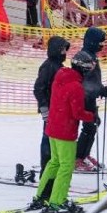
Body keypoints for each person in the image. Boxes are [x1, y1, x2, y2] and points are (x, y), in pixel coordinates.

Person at [28, 51, 98, 213]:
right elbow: (77, 113)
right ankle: (57, 200)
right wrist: (91, 116)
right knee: (66, 166)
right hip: (65, 131)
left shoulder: (61, 76)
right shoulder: (76, 86)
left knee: (54, 163)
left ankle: (41, 196)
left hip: (53, 127)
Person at [75, 27, 107, 172]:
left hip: (90, 97)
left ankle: (84, 154)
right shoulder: (84, 56)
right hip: (84, 97)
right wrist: (100, 90)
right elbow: (85, 82)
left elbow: (93, 81)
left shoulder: (91, 54)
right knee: (90, 125)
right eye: (100, 42)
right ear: (92, 42)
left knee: (93, 123)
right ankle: (78, 157)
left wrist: (101, 89)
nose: (102, 45)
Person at [33, 36, 70, 181]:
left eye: (65, 49)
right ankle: (45, 174)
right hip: (51, 111)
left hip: (59, 111)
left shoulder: (59, 66)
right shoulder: (48, 66)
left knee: (55, 144)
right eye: (62, 49)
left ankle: (52, 173)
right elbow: (38, 88)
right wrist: (44, 109)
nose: (64, 52)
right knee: (48, 142)